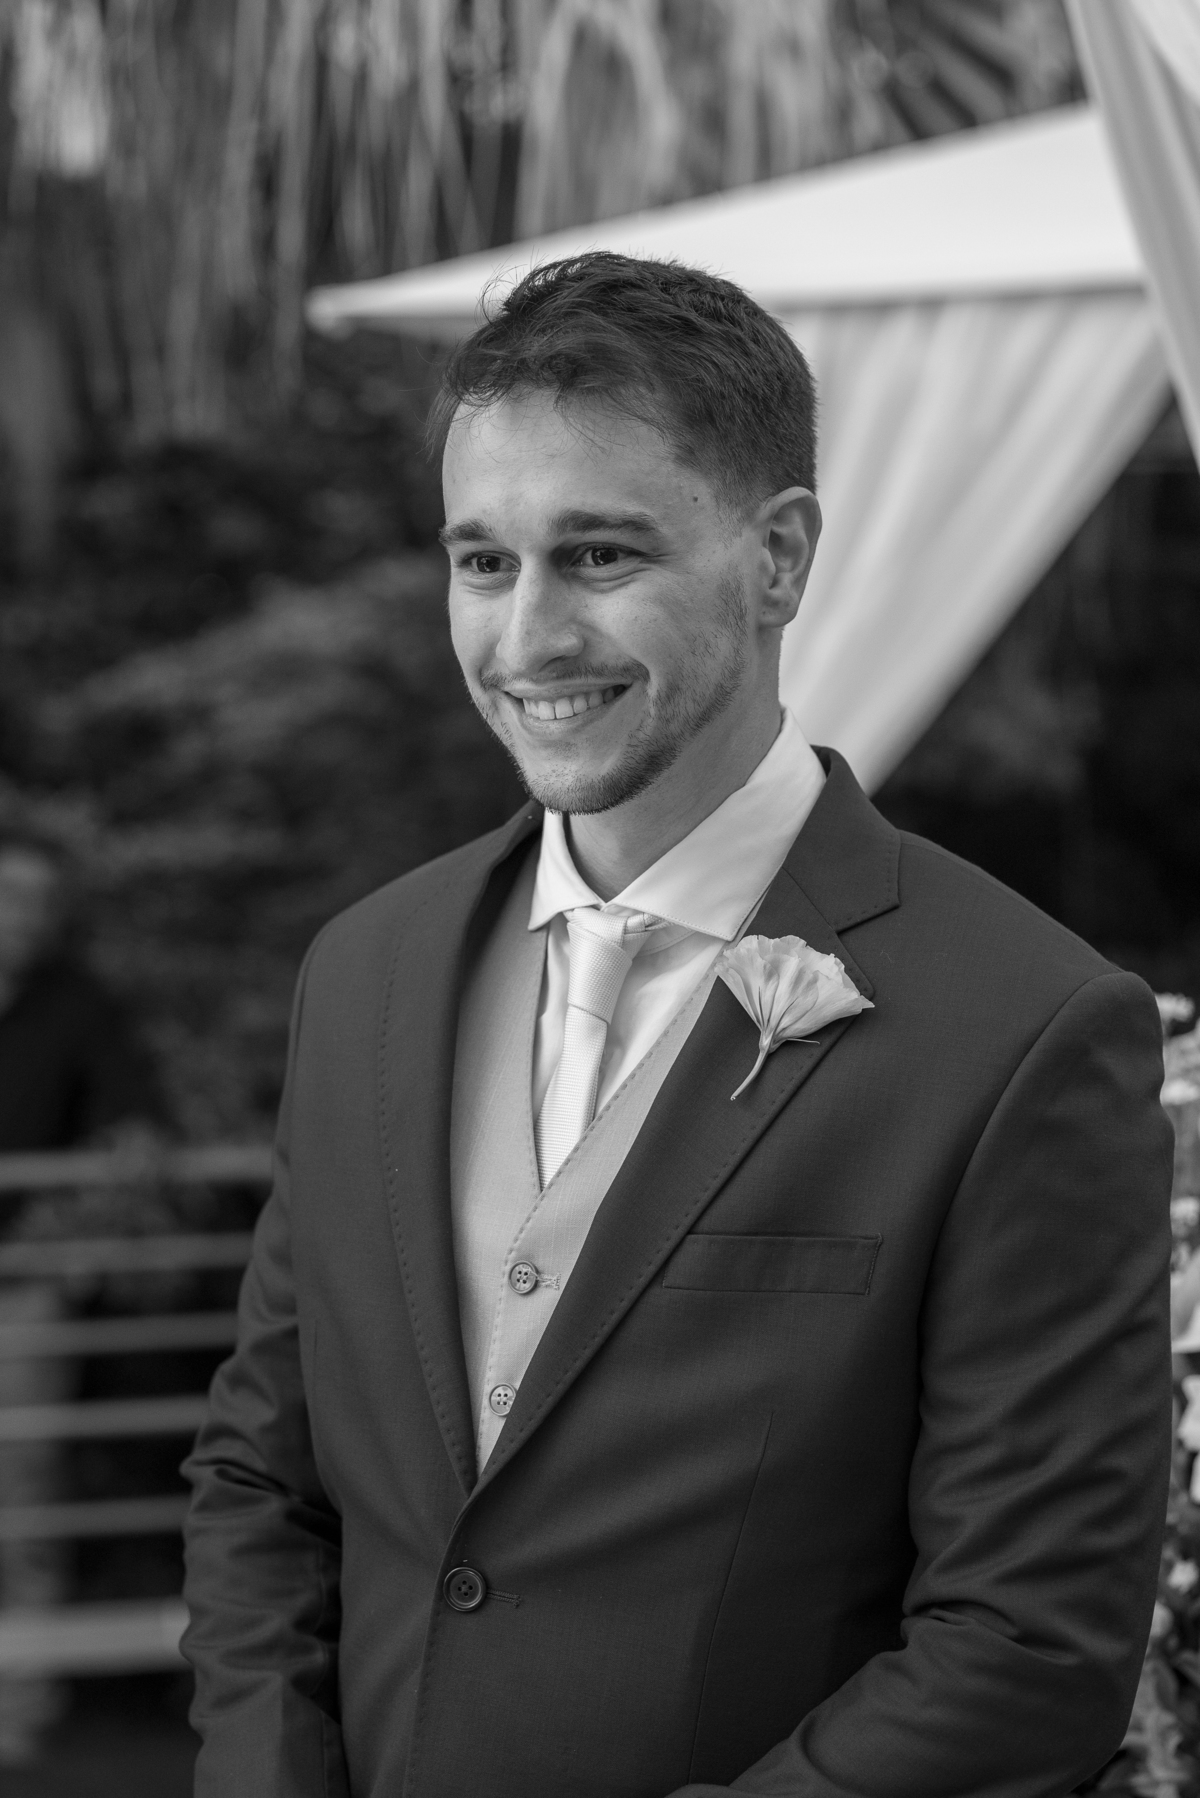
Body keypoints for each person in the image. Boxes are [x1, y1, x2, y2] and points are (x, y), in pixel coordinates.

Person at [181, 253, 1173, 1798]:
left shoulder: (1026, 1024)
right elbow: (266, 1477)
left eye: (598, 553)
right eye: (482, 561)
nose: (527, 636)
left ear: (779, 557)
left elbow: (1026, 1639)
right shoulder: (364, 971)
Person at [0, 835, 164, 1765]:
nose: (22, 914)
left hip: (20, 1292)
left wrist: (74, 1225)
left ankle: (16, 1713)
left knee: (23, 1504)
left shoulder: (77, 1003)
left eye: (38, 899)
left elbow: (134, 1130)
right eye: (7, 894)